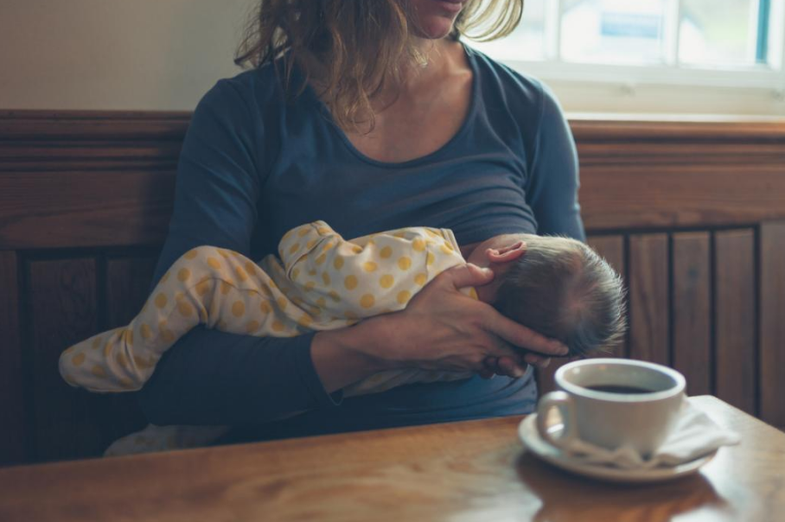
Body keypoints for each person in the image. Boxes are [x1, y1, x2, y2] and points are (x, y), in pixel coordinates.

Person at [134, 0, 585, 446]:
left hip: (499, 463)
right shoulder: (245, 114)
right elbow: (174, 384)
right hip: (303, 469)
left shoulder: (527, 111)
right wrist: (388, 344)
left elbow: (573, 332)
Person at [59, 221, 624, 455]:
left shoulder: (432, 254)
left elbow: (326, 272)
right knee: (199, 426)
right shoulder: (473, 357)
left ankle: (129, 355)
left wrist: (310, 235)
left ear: (502, 254)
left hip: (268, 315)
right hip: (297, 400)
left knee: (203, 271)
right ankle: (139, 447)